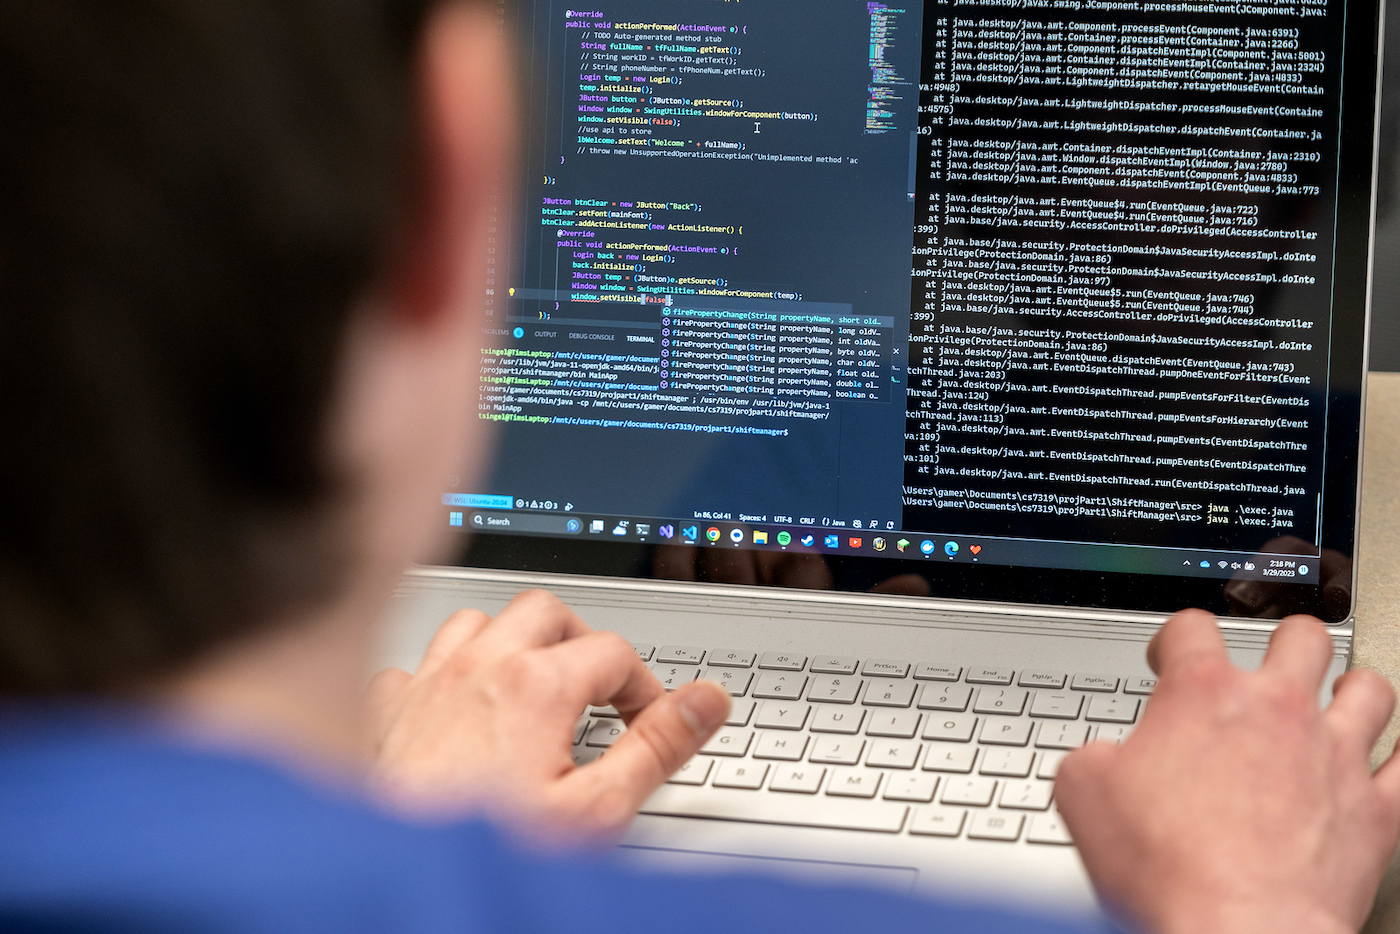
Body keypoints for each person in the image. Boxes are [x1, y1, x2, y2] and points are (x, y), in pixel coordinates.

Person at [0, 2, 1397, 932]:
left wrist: (424, 834)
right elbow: (694, 562)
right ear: (451, 178)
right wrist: (1246, 898)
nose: (1129, 197)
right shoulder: (833, 427)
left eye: (1177, 149)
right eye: (1094, 148)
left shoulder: (1298, 443)